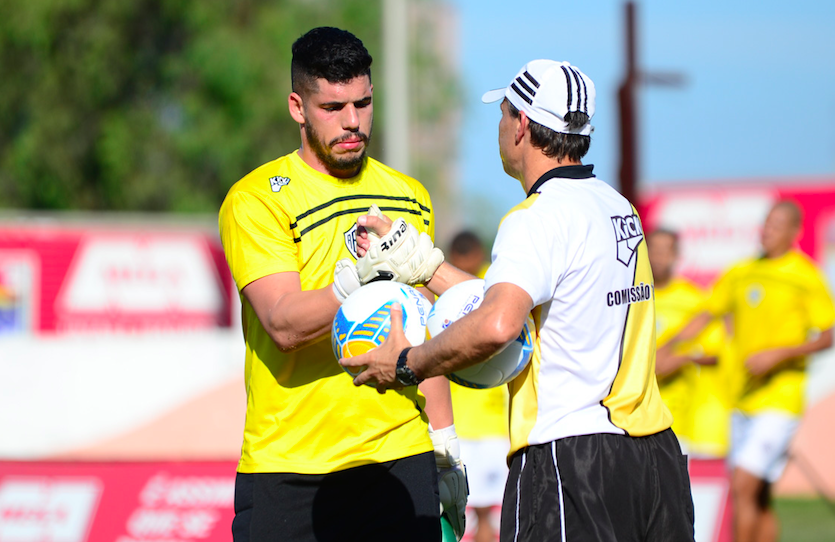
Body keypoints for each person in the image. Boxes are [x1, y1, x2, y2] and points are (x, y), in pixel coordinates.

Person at [343, 59, 695, 541]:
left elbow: (497, 324)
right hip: (654, 455)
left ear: (522, 126)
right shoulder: (616, 206)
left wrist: (408, 362)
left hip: (572, 460)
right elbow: (527, 303)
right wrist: (420, 265)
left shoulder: (535, 218)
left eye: (504, 112)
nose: (501, 124)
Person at [217, 27, 465, 542]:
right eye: (333, 107)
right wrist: (356, 283)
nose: (353, 121)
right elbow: (282, 324)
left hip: (399, 458)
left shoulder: (409, 195)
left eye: (363, 103)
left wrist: (444, 443)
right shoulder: (257, 199)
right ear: (297, 107)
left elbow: (424, 325)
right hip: (290, 465)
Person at [663, 200, 835, 542]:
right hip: (742, 398)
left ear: (794, 232)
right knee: (760, 494)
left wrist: (781, 354)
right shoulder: (742, 271)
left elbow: (828, 334)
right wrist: (668, 346)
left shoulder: (804, 276)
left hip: (780, 399)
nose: (767, 230)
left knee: (742, 484)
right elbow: (708, 313)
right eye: (766, 223)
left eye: (776, 225)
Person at [447, 231, 506, 542]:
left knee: (489, 512)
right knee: (461, 512)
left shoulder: (494, 285)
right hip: (459, 425)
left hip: (495, 424)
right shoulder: (443, 295)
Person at [648, 228, 726, 456]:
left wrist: (681, 358)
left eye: (666, 250)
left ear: (676, 255)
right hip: (638, 413)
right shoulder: (631, 297)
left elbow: (716, 351)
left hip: (683, 414)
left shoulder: (693, 299)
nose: (659, 257)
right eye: (653, 250)